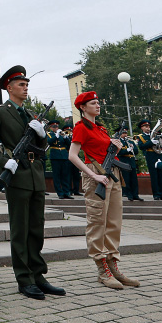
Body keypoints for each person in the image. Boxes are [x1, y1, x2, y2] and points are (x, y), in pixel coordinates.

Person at [0, 66, 64, 300]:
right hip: (17, 175)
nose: (26, 88)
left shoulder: (30, 115)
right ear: (9, 88)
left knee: (36, 228)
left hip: (35, 175)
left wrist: (42, 135)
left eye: (27, 85)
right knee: (20, 229)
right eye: (21, 85)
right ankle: (24, 279)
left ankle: (38, 275)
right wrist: (4, 162)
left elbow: (41, 147)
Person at [68, 91, 139, 290]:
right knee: (97, 222)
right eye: (93, 103)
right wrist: (93, 175)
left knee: (114, 222)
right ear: (83, 107)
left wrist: (116, 147)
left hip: (112, 174)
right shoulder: (81, 127)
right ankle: (102, 269)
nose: (98, 105)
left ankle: (113, 265)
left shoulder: (101, 128)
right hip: (96, 174)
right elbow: (72, 155)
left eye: (98, 102)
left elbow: (103, 151)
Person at [135, 119, 162, 200]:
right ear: (142, 128)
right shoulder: (140, 136)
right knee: (154, 175)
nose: (148, 128)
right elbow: (141, 147)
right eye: (146, 126)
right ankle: (156, 194)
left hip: (159, 154)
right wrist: (151, 142)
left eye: (148, 126)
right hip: (150, 155)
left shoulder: (155, 134)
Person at [46, 121, 72, 199]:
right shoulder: (49, 134)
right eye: (54, 127)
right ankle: (60, 193)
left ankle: (66, 192)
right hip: (55, 156)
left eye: (57, 126)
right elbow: (49, 142)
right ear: (51, 127)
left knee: (65, 175)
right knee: (56, 175)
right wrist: (56, 136)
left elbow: (69, 145)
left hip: (64, 156)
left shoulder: (62, 134)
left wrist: (65, 138)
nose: (56, 128)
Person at [118, 130, 143, 201]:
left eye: (126, 133)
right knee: (127, 179)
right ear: (120, 134)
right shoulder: (119, 141)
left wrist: (132, 147)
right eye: (123, 133)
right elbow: (119, 152)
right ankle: (129, 195)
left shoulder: (130, 142)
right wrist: (127, 150)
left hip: (131, 162)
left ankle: (135, 195)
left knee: (134, 179)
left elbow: (136, 151)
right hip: (124, 162)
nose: (125, 135)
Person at [62, 123, 81, 196]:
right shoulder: (63, 137)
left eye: (70, 130)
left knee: (76, 175)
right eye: (67, 130)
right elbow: (68, 145)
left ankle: (76, 190)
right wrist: (65, 137)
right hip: (68, 156)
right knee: (68, 174)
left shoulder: (74, 137)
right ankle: (69, 190)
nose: (69, 131)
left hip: (75, 156)